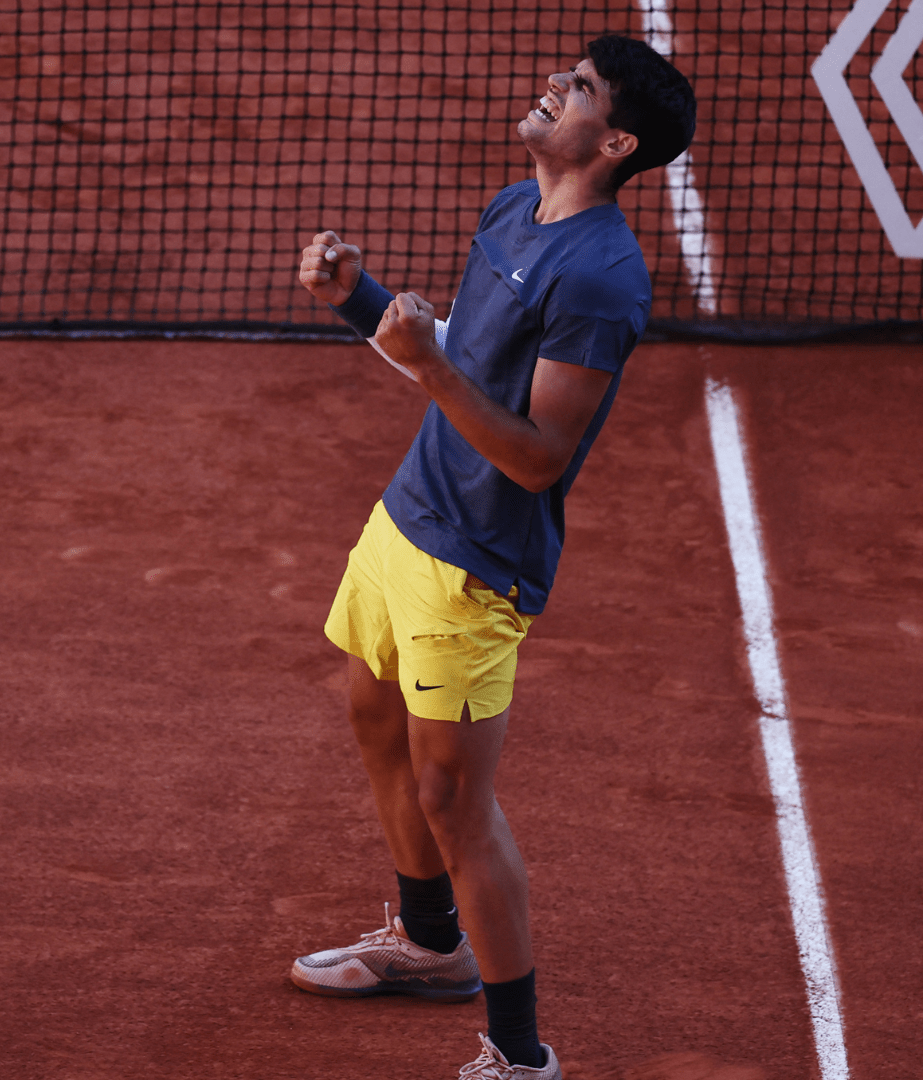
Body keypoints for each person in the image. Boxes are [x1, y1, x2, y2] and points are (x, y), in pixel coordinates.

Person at [288, 35, 698, 1080]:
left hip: (475, 566)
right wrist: (357, 298)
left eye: (580, 90)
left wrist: (424, 366)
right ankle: (429, 948)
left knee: (453, 802)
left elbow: (533, 458)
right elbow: (458, 373)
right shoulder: (512, 211)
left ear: (613, 141)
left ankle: (521, 1058)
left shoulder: (604, 278)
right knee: (372, 716)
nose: (554, 87)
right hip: (407, 517)